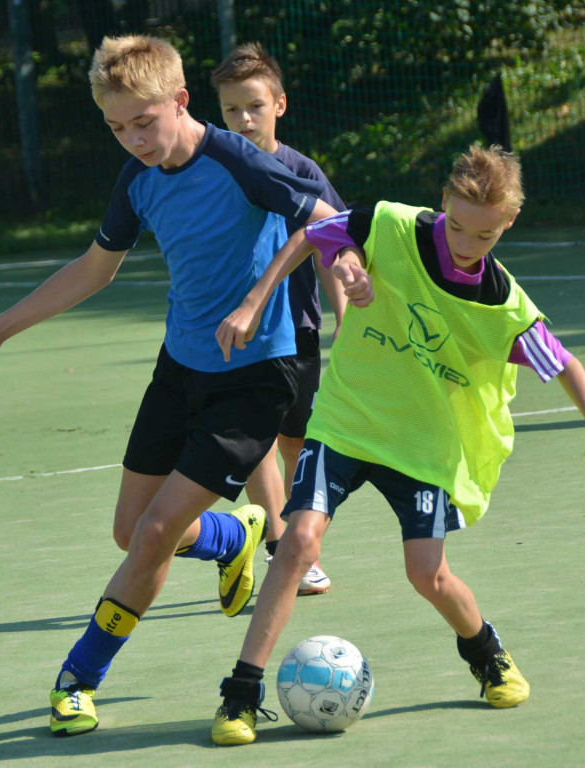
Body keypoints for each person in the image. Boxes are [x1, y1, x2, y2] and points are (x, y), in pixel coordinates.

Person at [0, 35, 361, 738]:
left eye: (144, 120)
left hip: (257, 377)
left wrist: (345, 272)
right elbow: (92, 269)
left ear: (180, 101)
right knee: (128, 533)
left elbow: (331, 223)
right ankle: (232, 537)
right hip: (179, 372)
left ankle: (77, 679)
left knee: (157, 533)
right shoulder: (136, 181)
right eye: (116, 126)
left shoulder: (238, 161)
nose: (133, 138)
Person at [209, 144, 585, 745]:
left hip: (422, 444)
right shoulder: (391, 225)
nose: (465, 242)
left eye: (484, 235)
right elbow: (318, 232)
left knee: (426, 575)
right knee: (298, 540)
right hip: (348, 419)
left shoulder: (500, 304)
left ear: (507, 224)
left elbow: (562, 362)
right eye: (457, 224)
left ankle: (487, 653)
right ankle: (241, 694)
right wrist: (267, 297)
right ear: (442, 204)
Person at [212, 42, 347, 597]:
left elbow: (334, 242)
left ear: (280, 105)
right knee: (259, 441)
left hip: (301, 332)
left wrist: (350, 321)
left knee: (296, 443)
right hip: (237, 335)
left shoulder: (300, 170)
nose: (243, 119)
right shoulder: (213, 171)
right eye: (230, 111)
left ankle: (278, 537)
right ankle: (279, 547)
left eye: (254, 107)